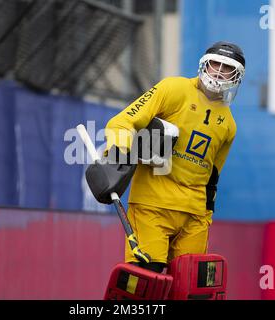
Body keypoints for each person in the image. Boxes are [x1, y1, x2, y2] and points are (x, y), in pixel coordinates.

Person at [101, 41, 246, 273]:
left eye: (226, 67)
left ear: (236, 77)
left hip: (195, 216)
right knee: (148, 279)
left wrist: (206, 217)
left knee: (189, 288)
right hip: (153, 205)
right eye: (214, 64)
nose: (218, 71)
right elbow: (122, 122)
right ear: (203, 66)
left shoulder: (229, 124)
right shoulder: (173, 89)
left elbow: (212, 179)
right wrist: (116, 157)